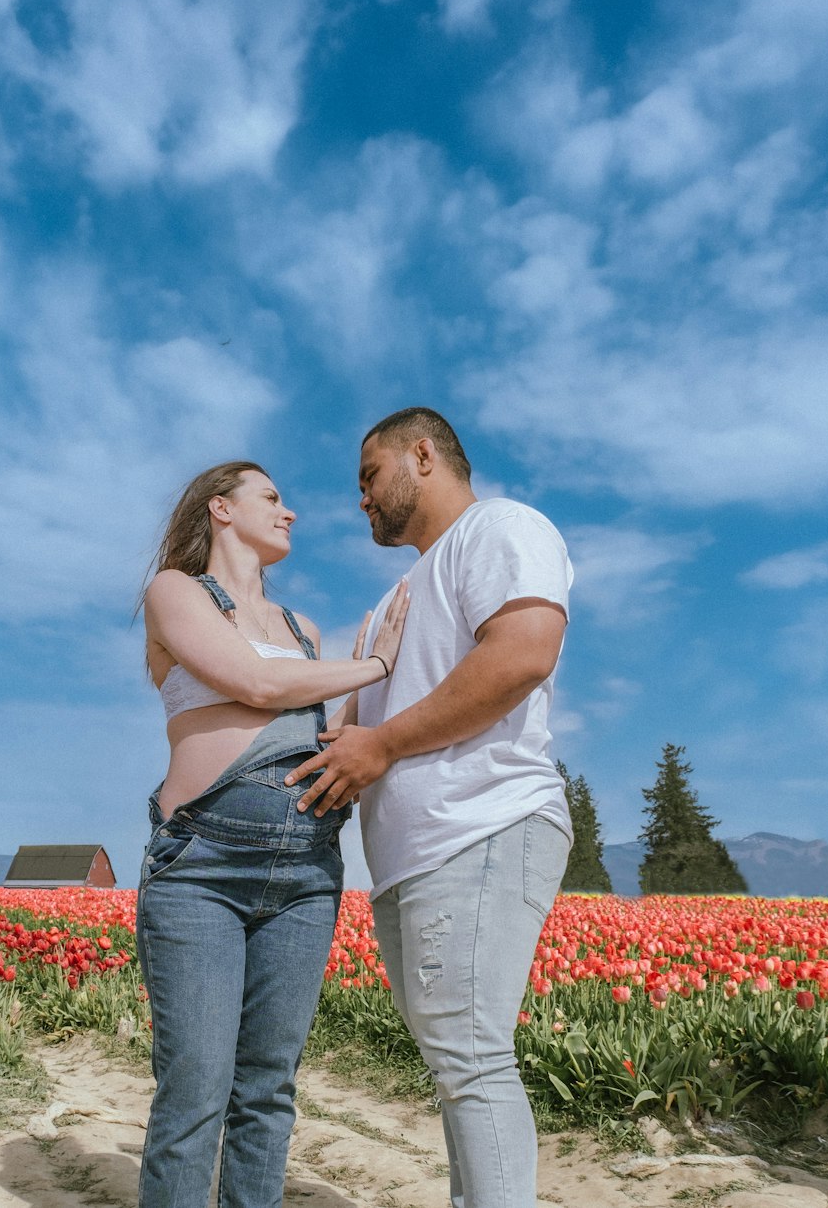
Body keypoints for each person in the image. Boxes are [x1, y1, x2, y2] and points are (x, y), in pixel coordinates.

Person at [287, 408, 573, 1208]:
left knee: (471, 1057)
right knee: (457, 1065)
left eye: (369, 477)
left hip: (481, 822)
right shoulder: (390, 606)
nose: (361, 500)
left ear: (423, 455)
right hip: (413, 855)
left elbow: (522, 653)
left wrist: (377, 749)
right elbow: (346, 731)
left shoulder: (500, 529)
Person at [135, 459, 409, 1208]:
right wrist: (376, 661)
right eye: (272, 498)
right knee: (194, 1091)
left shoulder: (304, 630)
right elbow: (255, 684)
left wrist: (369, 685)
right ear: (220, 508)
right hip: (202, 867)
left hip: (305, 876)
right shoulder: (176, 593)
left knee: (267, 1091)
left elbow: (315, 737)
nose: (290, 513)